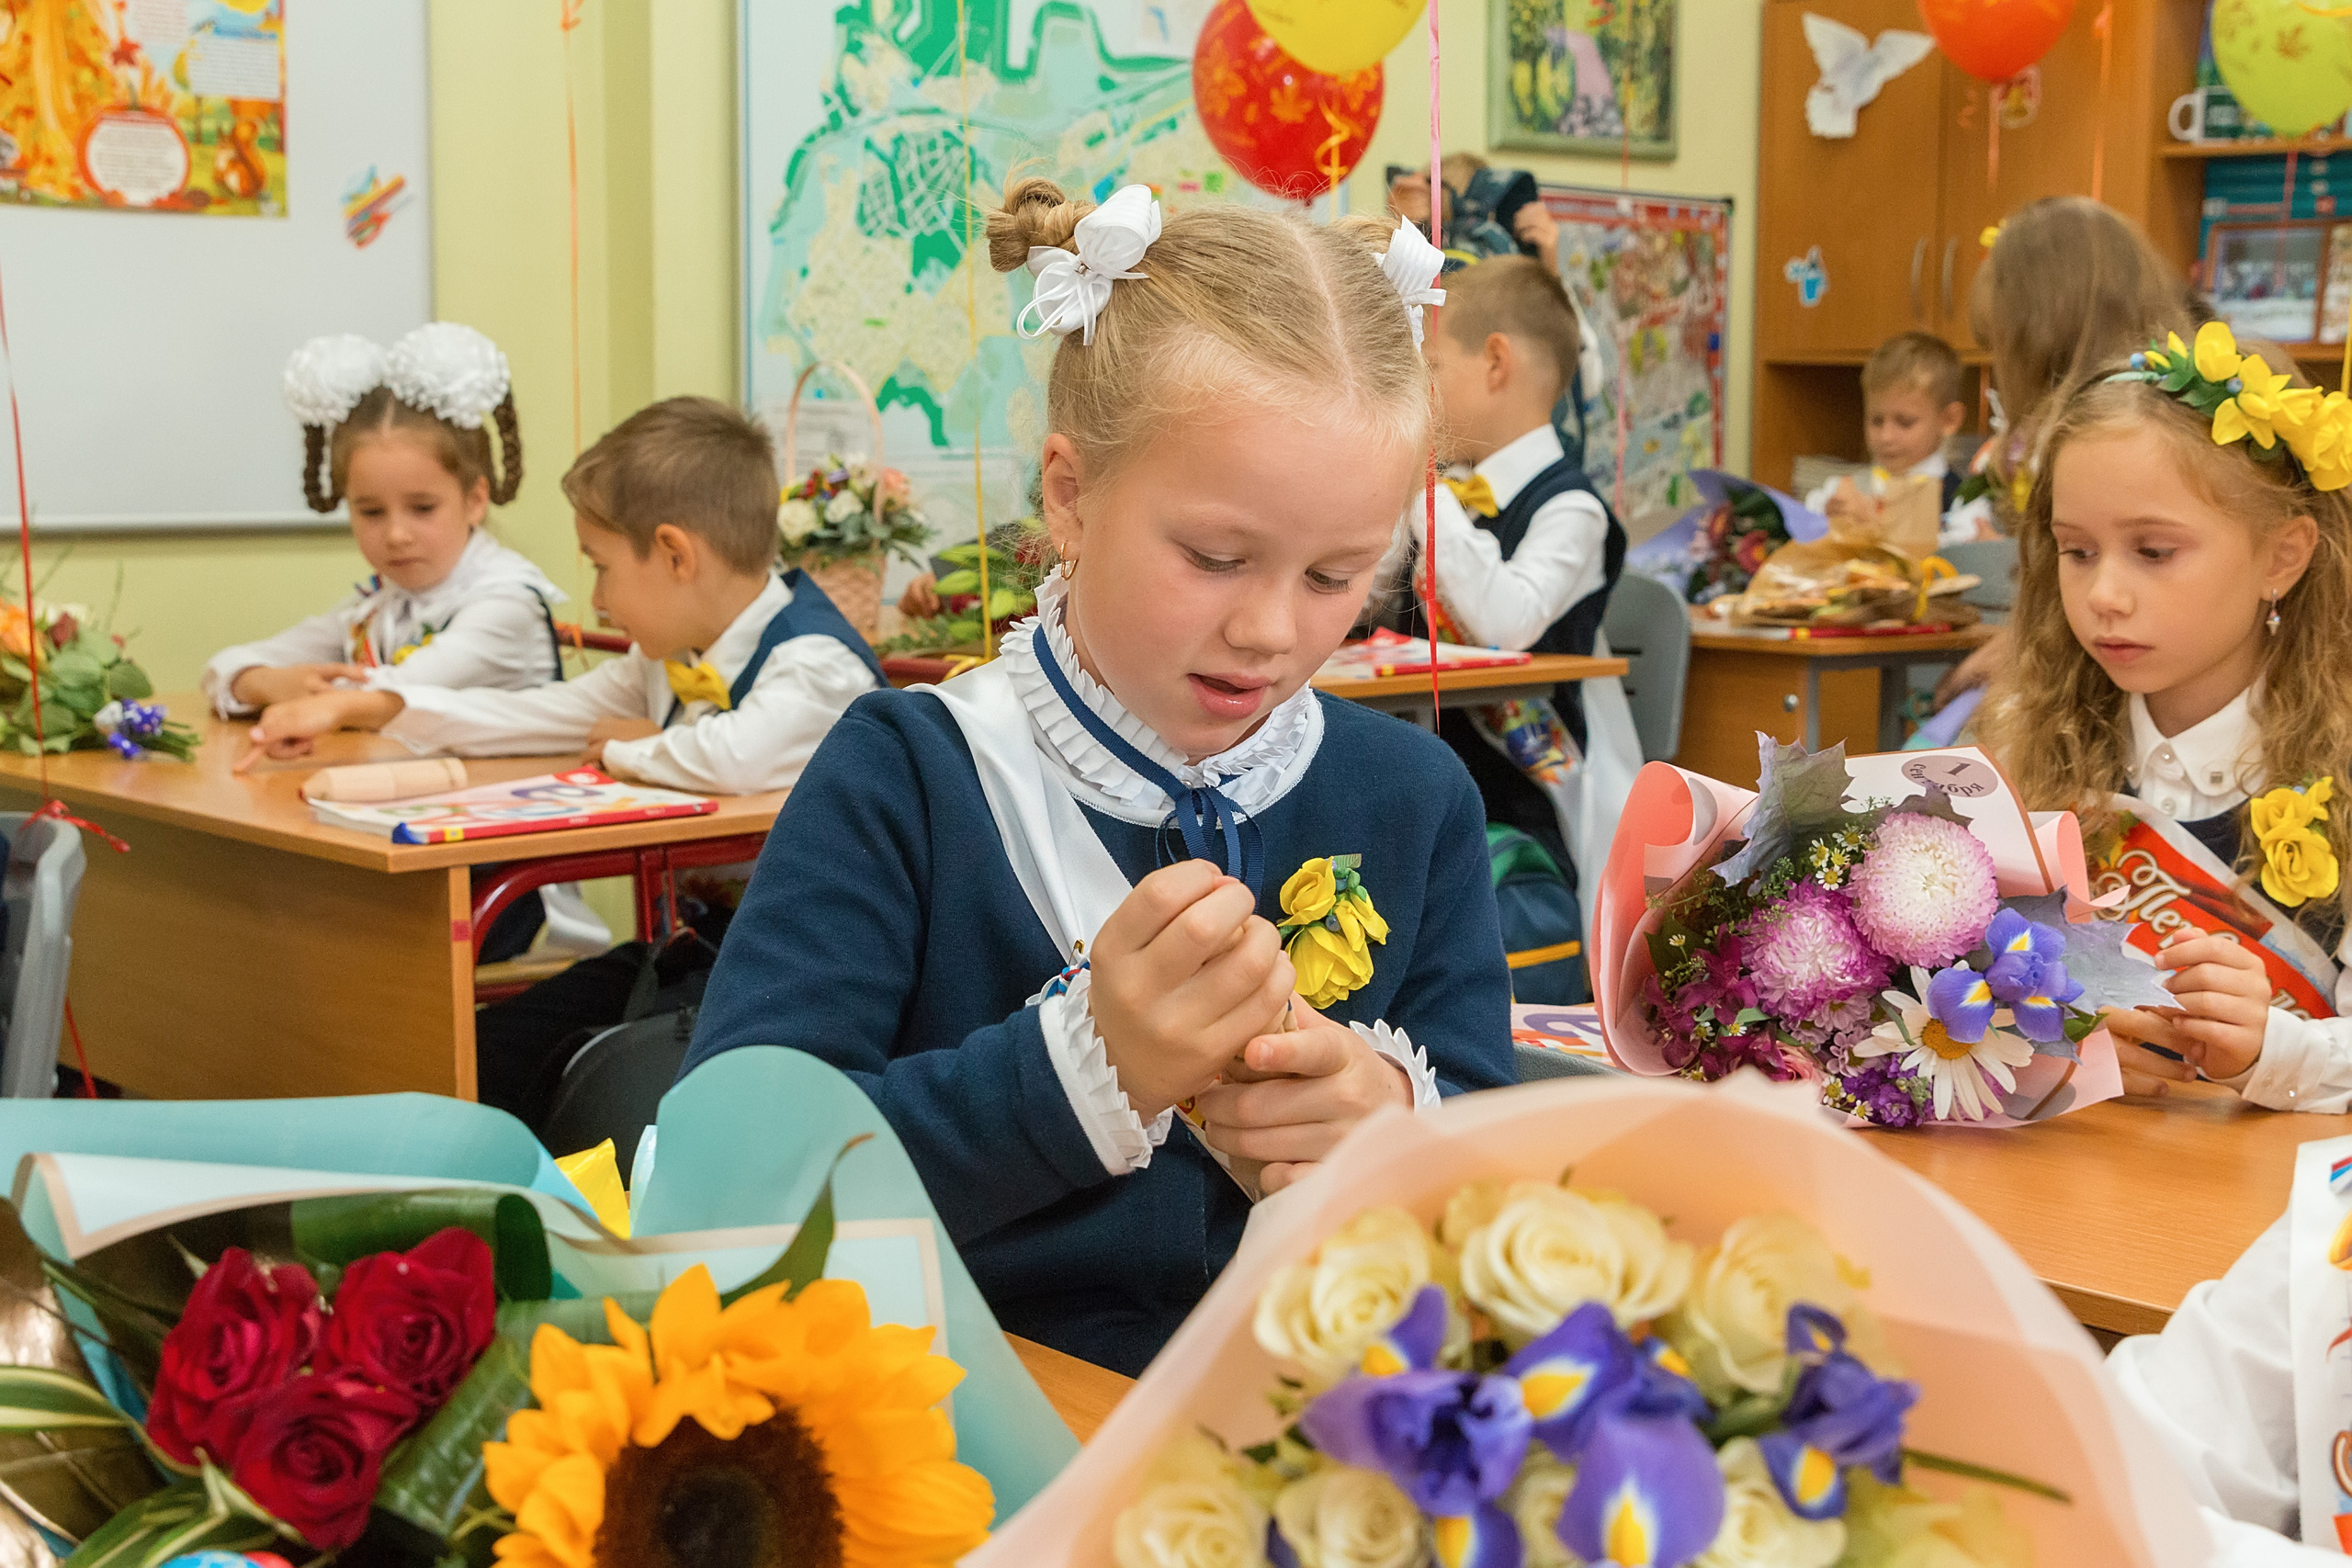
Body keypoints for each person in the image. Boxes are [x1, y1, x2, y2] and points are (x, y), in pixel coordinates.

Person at [679, 182, 1516, 1375]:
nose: (1272, 629)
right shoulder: (910, 774)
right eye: (1216, 557)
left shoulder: (1416, 795)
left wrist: (1386, 1118)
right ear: (1070, 496)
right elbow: (739, 1188)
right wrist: (1080, 1070)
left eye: (1339, 575)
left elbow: (1490, 1155)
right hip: (965, 1415)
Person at [1978, 321, 2352, 1111]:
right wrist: (2043, 1029)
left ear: (2282, 557)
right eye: (2076, 551)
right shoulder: (2021, 738)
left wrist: (2268, 1048)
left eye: (2153, 552)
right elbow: (1937, 979)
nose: (2104, 594)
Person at [237, 395, 883, 795]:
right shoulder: (670, 657)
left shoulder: (817, 663)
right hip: (706, 950)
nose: (597, 600)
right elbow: (532, 714)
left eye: (601, 568)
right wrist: (373, 704)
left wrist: (632, 746)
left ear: (675, 555)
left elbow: (736, 757)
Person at [206, 323, 602, 958]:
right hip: (397, 840)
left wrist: (326, 699)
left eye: (422, 508)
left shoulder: (504, 604)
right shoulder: (381, 602)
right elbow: (224, 665)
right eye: (370, 511)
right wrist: (269, 682)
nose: (395, 536)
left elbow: (395, 694)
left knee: (300, 932)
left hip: (498, 873)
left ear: (475, 499)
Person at [1408, 253, 1625, 881]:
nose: (1423, 389)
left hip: (1526, 799)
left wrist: (1424, 489)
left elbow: (1507, 622)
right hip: (1437, 760)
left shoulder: (1572, 508)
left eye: (1434, 368)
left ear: (1496, 362)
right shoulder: (1450, 494)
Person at [1933, 199, 2194, 716]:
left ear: (2041, 344)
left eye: (2001, 352)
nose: (2000, 374)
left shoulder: (2127, 445)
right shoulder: (2050, 443)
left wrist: (2022, 651)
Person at [1802, 331, 1971, 538]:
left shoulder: (1963, 503)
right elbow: (1805, 526)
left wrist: (1876, 526)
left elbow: (1955, 557)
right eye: (1876, 421)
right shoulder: (1845, 489)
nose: (1886, 437)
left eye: (1905, 422)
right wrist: (1828, 515)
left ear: (1949, 420)